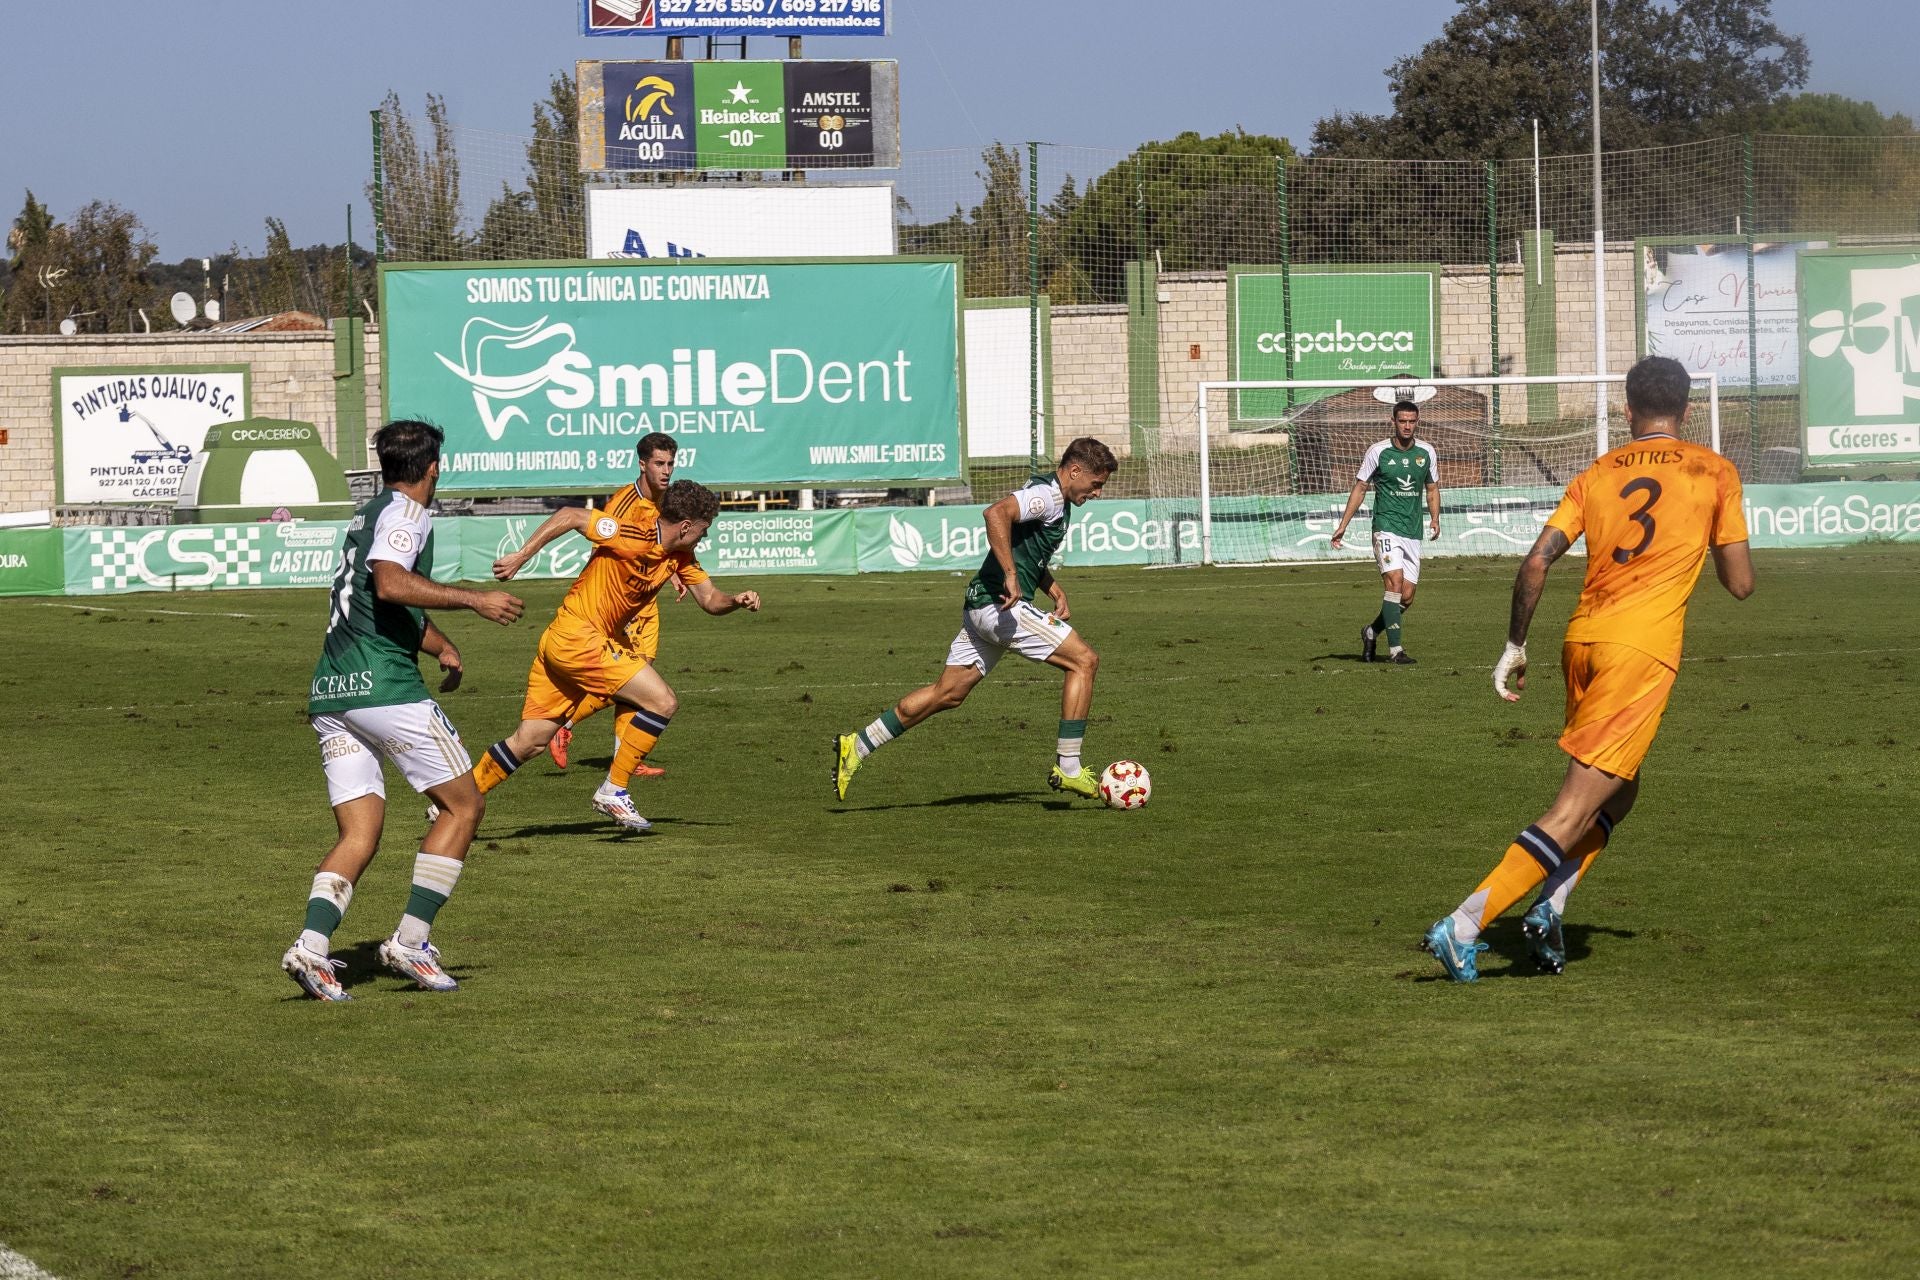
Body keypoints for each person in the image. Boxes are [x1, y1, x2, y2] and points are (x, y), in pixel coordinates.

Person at [1423, 356, 1755, 982]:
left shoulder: (1595, 473)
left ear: (1627, 410)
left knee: (1620, 789)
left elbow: (1536, 562)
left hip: (1581, 642)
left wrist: (1515, 646)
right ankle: (1465, 923)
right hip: (1640, 649)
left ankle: (1550, 905)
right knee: (1575, 806)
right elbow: (1739, 584)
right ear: (1686, 410)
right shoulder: (1715, 471)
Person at [281, 419, 526, 1002]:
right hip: (385, 691)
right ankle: (410, 942)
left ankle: (311, 950)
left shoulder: (367, 514)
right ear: (433, 467)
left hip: (334, 691)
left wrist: (438, 643)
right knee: (464, 807)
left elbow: (375, 596)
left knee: (359, 831)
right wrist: (476, 599)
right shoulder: (408, 515)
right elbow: (391, 584)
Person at [834, 437, 1117, 801]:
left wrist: (1052, 587)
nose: (1097, 493)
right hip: (1000, 607)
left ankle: (857, 745)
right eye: (1096, 484)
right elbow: (995, 514)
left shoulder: (1054, 498)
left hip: (981, 606)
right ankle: (1070, 767)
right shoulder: (1047, 495)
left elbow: (1025, 549)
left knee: (947, 694)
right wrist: (1011, 576)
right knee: (1084, 661)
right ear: (1075, 471)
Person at [473, 478, 760, 833]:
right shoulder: (630, 533)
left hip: (563, 641)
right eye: (704, 529)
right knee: (663, 701)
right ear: (686, 526)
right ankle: (614, 789)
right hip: (580, 638)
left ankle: (458, 802)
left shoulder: (680, 556)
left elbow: (710, 600)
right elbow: (570, 515)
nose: (705, 536)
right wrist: (521, 556)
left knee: (529, 742)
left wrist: (735, 601)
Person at [545, 432, 682, 777]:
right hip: (622, 602)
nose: (666, 470)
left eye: (670, 463)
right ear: (642, 464)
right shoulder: (623, 504)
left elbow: (664, 543)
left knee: (642, 671)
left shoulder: (666, 499)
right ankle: (565, 724)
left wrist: (673, 572)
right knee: (634, 679)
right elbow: (603, 551)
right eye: (659, 463)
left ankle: (628, 756)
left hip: (646, 597)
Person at [1328, 400, 1441, 664]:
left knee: (1407, 596)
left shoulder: (1427, 452)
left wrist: (1435, 518)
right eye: (1402, 421)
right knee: (1394, 582)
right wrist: (1343, 525)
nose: (1407, 426)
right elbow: (1360, 487)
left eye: (1412, 421)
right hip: (1385, 527)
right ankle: (1396, 651)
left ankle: (1370, 631)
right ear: (1393, 421)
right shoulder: (1378, 452)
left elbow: (1432, 488)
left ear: (1417, 422)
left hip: (1412, 530)